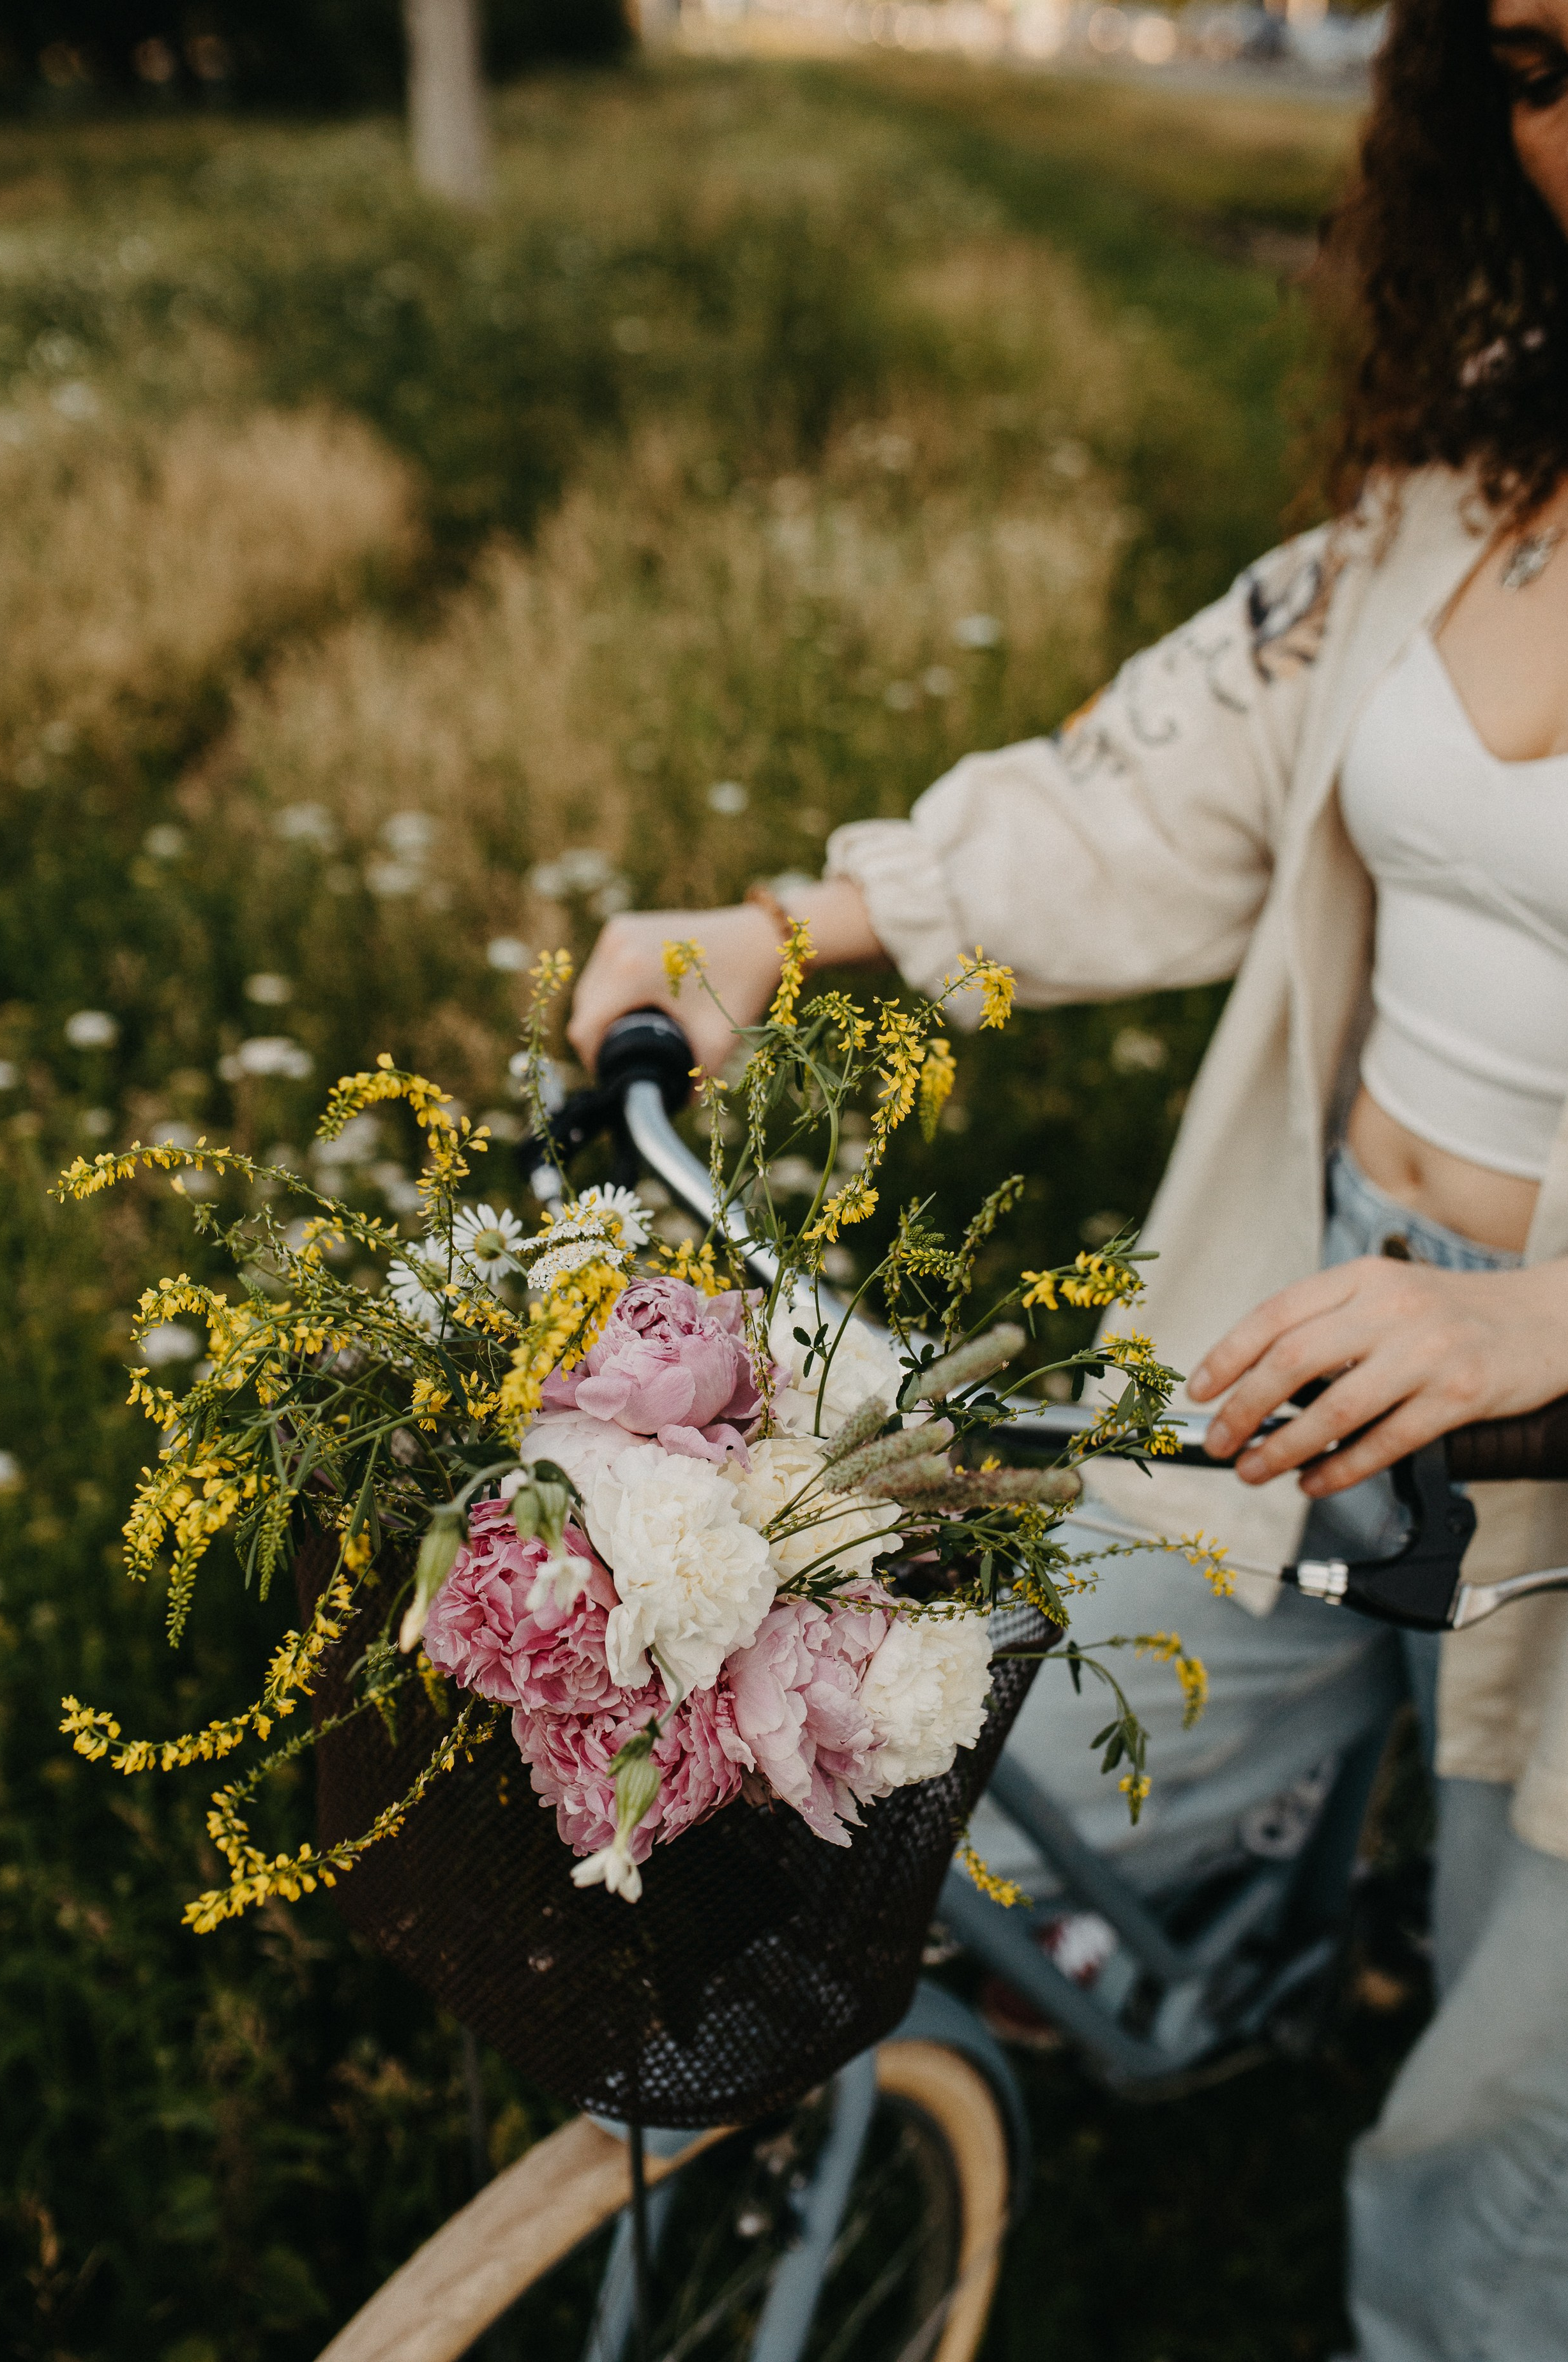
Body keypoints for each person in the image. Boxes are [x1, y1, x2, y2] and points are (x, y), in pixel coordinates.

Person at [569, 0, 1568, 2349]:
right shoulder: (1467, 488)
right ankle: (1183, 1970)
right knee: (1010, 1775)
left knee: (1496, 2154)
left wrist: (1541, 1325)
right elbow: (1143, 789)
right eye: (1534, 62)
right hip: (1316, 1308)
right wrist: (780, 928)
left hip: (1546, 1394)